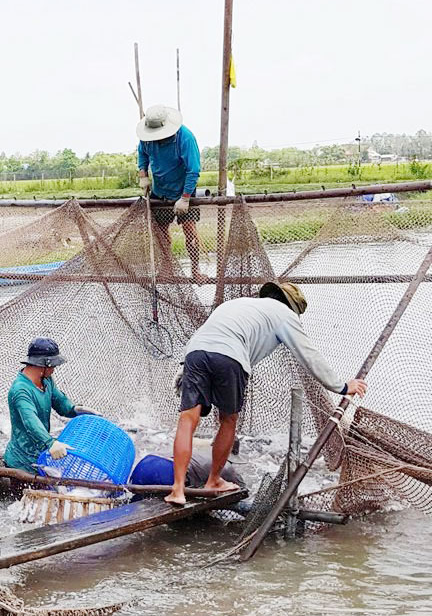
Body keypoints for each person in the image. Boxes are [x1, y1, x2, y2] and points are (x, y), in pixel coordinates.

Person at [165, 281, 368, 505]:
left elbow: (209, 335)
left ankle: (177, 489)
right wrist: (341, 387)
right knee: (229, 420)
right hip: (231, 356)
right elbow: (310, 357)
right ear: (292, 307)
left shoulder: (238, 304)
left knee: (187, 419)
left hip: (195, 353)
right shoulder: (284, 315)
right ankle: (213, 480)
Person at [3, 338, 99, 474]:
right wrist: (51, 443)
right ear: (43, 364)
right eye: (52, 365)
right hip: (21, 462)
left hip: (40, 455)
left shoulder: (46, 380)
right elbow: (30, 421)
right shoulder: (20, 390)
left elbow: (61, 404)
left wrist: (76, 410)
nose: (54, 369)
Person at [136, 105, 205, 284]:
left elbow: (193, 170)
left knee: (189, 231)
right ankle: (167, 267)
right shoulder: (147, 138)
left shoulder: (185, 137)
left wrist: (185, 198)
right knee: (160, 232)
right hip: (160, 192)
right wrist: (143, 175)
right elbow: (142, 154)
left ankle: (195, 271)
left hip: (183, 192)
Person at [131, 451, 245, 490]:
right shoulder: (227, 468)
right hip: (167, 471)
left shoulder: (203, 452)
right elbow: (242, 491)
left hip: (145, 463)